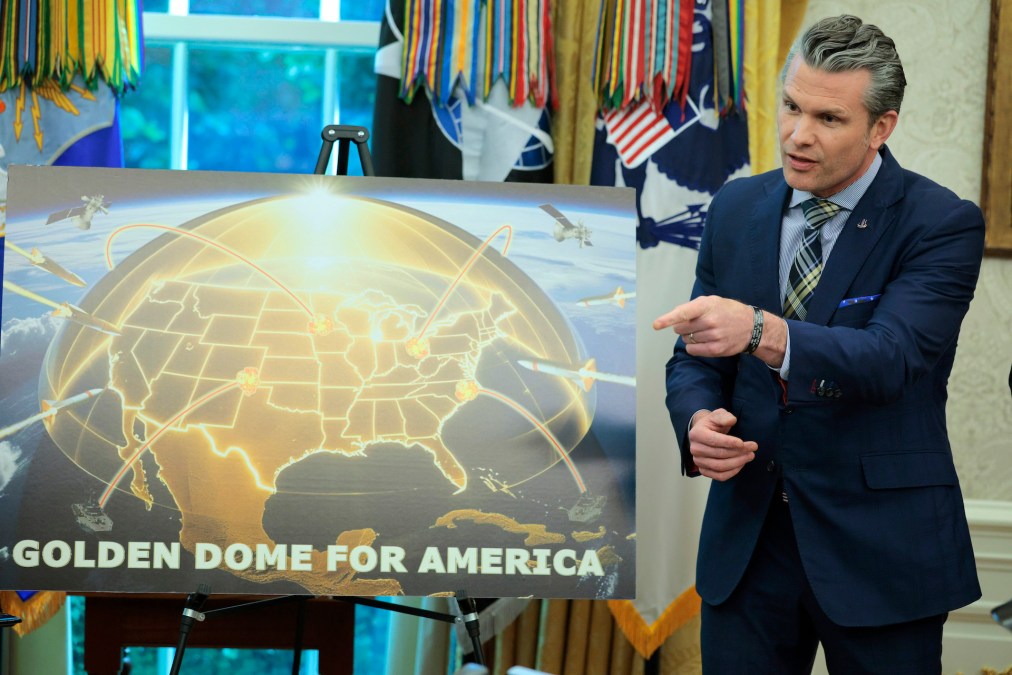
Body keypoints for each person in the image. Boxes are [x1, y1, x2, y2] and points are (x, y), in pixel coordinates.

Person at [653, 14, 983, 674]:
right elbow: (695, 354)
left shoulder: (940, 223)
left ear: (881, 127)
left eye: (829, 119)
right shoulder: (735, 207)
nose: (798, 135)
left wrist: (762, 331)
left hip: (881, 551)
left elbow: (891, 358)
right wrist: (696, 418)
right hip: (747, 547)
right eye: (791, 107)